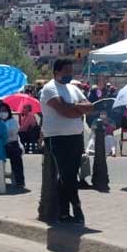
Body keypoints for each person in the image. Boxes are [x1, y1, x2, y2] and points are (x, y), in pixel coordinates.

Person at [39, 58, 92, 224]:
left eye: (71, 71)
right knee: (67, 175)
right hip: (57, 137)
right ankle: (77, 207)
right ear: (57, 72)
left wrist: (74, 107)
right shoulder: (49, 89)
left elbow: (89, 107)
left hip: (75, 136)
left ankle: (63, 212)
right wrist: (77, 109)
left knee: (69, 175)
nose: (70, 74)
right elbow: (64, 111)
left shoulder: (73, 89)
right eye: (67, 71)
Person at [0, 101, 25, 187]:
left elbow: (12, 133)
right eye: (1, 111)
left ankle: (19, 181)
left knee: (16, 154)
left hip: (12, 144)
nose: (3, 113)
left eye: (5, 110)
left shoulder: (13, 121)